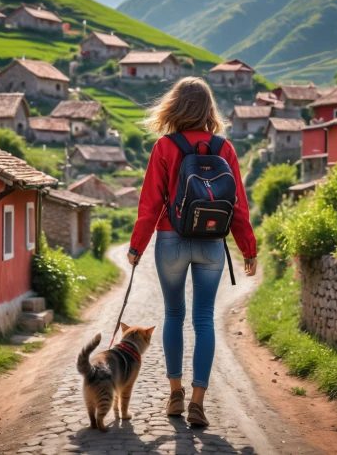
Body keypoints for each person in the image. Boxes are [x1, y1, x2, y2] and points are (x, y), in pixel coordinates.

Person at [127, 77, 257, 427]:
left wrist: (137, 246)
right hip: (212, 243)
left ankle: (175, 395)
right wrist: (248, 249)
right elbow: (239, 206)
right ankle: (198, 403)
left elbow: (150, 204)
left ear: (175, 105)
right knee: (203, 320)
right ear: (208, 109)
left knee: (173, 316)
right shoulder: (224, 148)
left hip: (170, 239)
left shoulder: (165, 147)